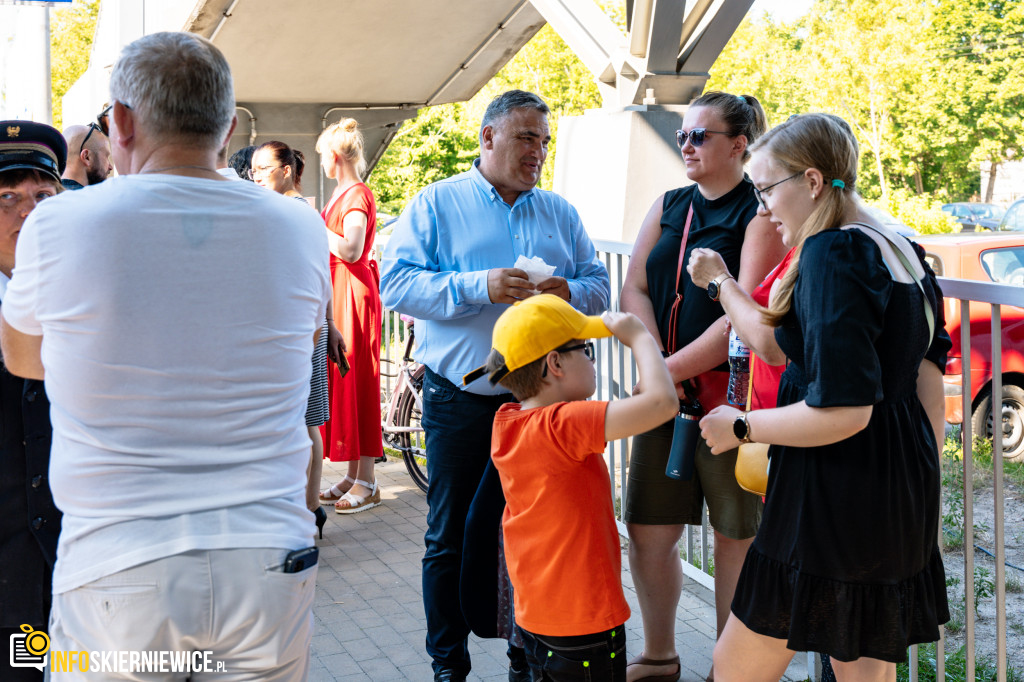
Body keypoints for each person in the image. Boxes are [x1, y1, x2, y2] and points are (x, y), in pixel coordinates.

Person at [0, 32, 331, 680]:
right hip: (269, 562)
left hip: (120, 573)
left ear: (119, 123)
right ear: (229, 127)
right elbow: (306, 341)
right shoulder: (300, 227)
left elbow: (23, 360)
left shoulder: (62, 225)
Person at [698, 113, 950, 681]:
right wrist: (920, 485)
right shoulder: (900, 246)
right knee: (866, 673)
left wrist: (741, 427)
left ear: (811, 182)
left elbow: (843, 411)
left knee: (735, 668)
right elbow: (927, 379)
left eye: (764, 189)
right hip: (894, 494)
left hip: (831, 500)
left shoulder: (833, 254)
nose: (761, 207)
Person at [380, 89, 611, 682]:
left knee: (535, 538)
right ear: (488, 138)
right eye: (526, 137)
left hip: (540, 410)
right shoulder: (436, 203)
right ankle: (447, 665)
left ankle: (524, 657)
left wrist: (567, 293)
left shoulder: (559, 212)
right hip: (461, 399)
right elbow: (397, 286)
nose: (538, 151)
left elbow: (598, 287)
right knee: (448, 534)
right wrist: (479, 286)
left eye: (544, 140)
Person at [619, 91, 787, 682]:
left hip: (730, 403)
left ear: (739, 146)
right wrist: (654, 364)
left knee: (734, 535)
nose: (685, 145)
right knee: (646, 528)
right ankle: (661, 655)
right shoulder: (669, 204)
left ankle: (728, 667)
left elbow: (742, 316)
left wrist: (662, 372)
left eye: (699, 136)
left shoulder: (760, 212)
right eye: (683, 135)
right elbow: (634, 287)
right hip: (667, 400)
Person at [473, 295, 677, 682]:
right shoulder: (563, 425)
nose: (593, 359)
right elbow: (662, 403)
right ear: (555, 364)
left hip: (536, 615)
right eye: (586, 349)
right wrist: (639, 338)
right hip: (583, 623)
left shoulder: (508, 422)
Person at [0, 120, 65, 682]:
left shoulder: (92, 298)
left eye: (43, 195)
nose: (28, 212)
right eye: (7, 197)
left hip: (84, 572)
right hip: (6, 585)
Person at [253, 139, 344, 533]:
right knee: (307, 422)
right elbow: (321, 277)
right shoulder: (297, 212)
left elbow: (315, 277)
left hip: (301, 328)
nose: (255, 177)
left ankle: (307, 507)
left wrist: (326, 324)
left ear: (286, 170)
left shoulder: (292, 212)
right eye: (253, 170)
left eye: (262, 169)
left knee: (306, 422)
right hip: (307, 325)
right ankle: (308, 508)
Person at [314, 119, 385, 513]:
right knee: (349, 378)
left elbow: (352, 248)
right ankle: (356, 474)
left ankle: (369, 481)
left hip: (352, 292)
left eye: (325, 155)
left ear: (335, 156)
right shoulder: (347, 192)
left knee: (357, 378)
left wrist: (314, 224)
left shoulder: (354, 194)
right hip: (343, 289)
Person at [60, 122, 112, 189]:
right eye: (106, 156)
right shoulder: (95, 198)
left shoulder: (47, 196)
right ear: (86, 157)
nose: (110, 167)